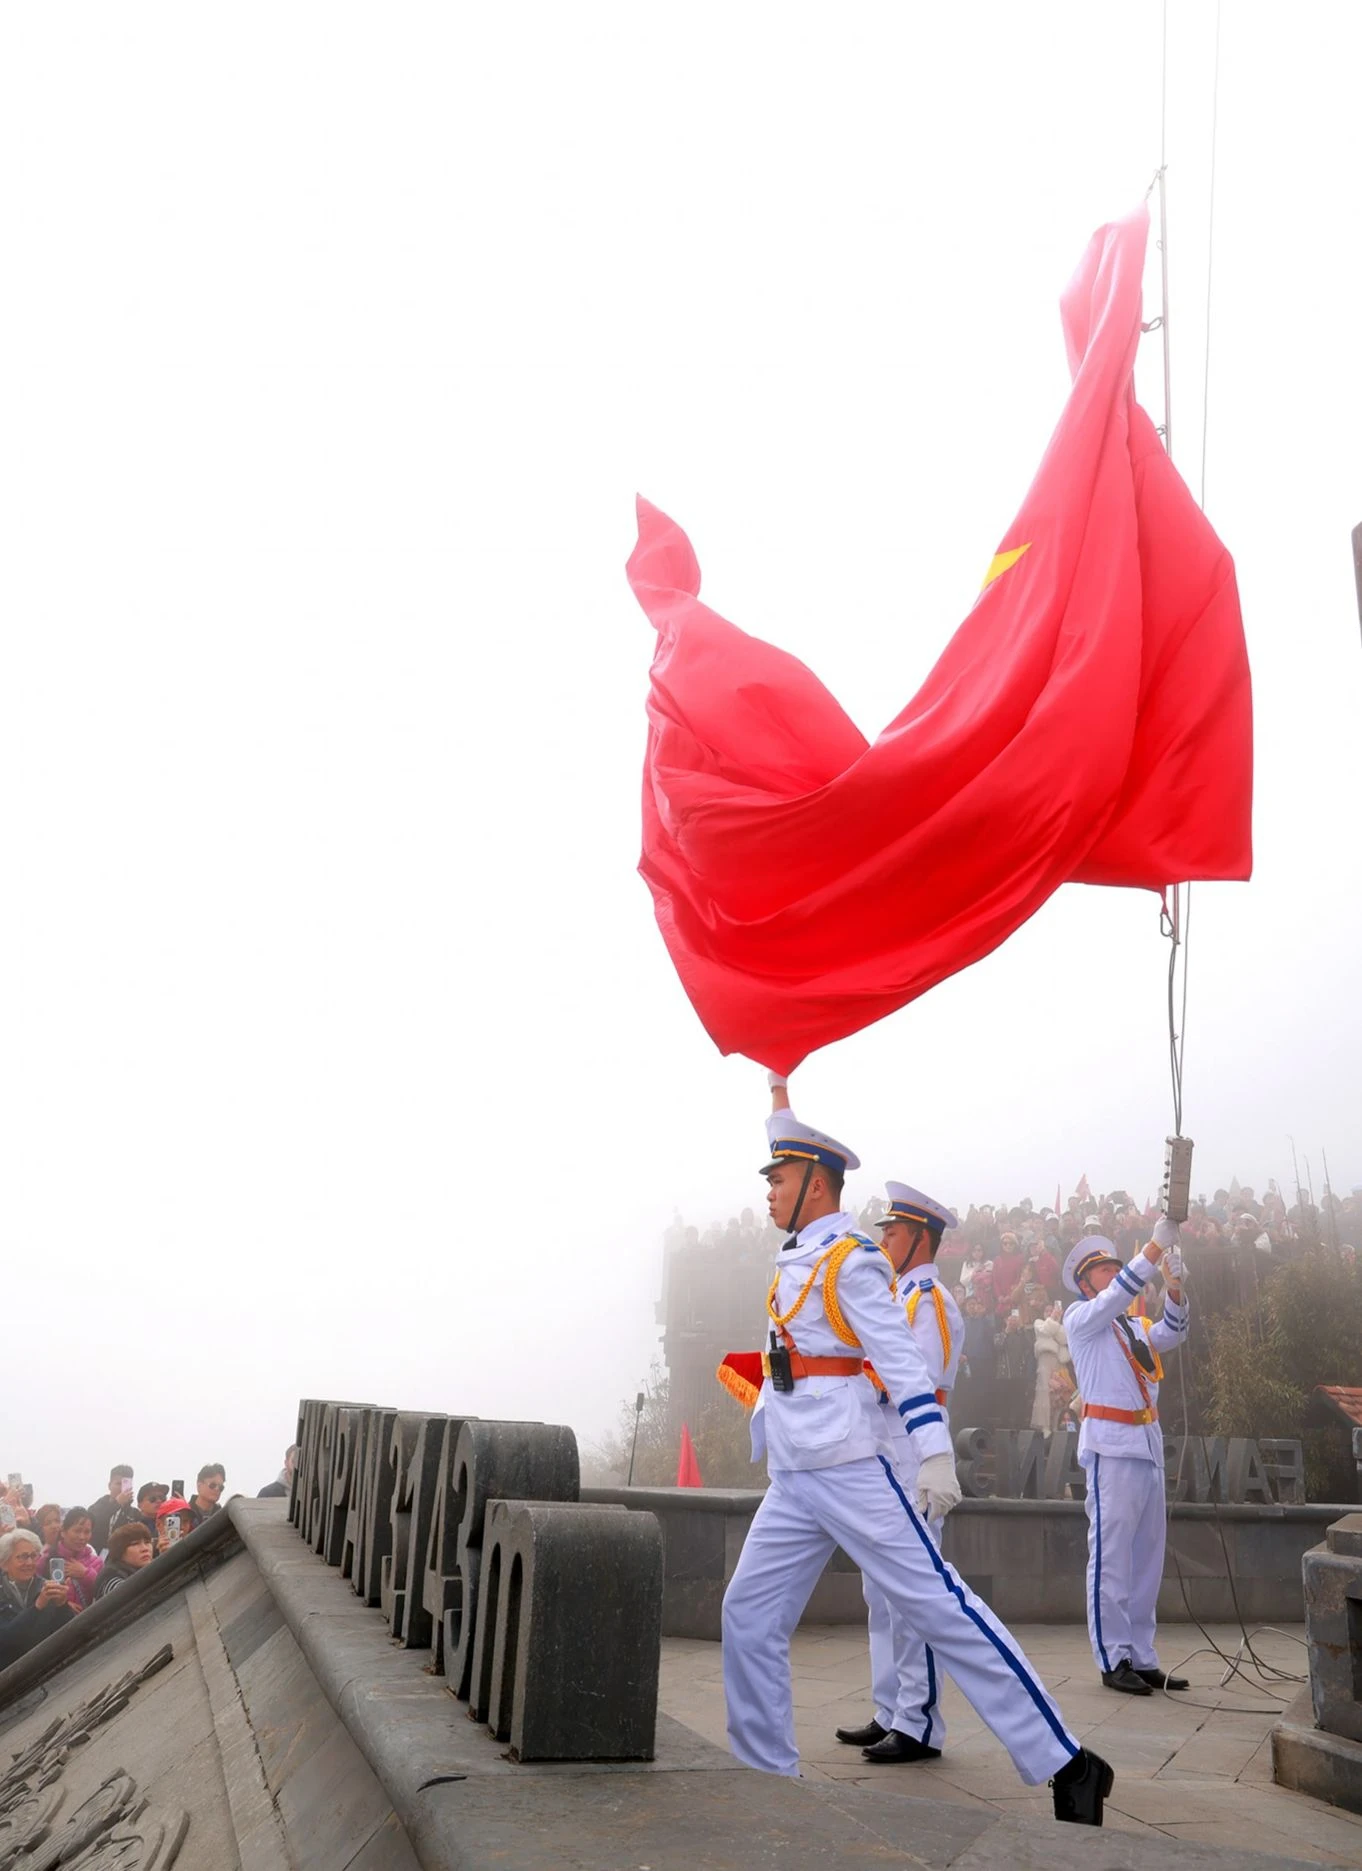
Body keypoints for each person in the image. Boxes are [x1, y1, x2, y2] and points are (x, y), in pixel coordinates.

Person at [721, 1076, 1112, 1824]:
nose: (769, 1189)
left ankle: (1070, 1760)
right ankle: (766, 1775)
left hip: (847, 1462)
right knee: (747, 1614)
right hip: (797, 1468)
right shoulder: (801, 1251)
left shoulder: (853, 1261)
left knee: (938, 1606)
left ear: (814, 1183)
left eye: (778, 1176)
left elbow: (902, 1364)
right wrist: (777, 1087)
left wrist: (935, 1453)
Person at [834, 1180, 964, 1765]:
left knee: (913, 1596)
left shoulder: (928, 1300)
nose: (884, 1237)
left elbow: (913, 1376)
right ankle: (890, 1709)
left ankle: (919, 1723)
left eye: (893, 1230)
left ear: (920, 1237)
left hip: (915, 1456)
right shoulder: (897, 1297)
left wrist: (844, 1381)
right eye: (883, 1229)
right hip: (886, 1454)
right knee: (879, 1592)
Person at [1062, 1221, 1190, 1695]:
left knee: (1146, 1558)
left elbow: (1174, 1333)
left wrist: (1174, 1290)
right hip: (1110, 1446)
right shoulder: (1081, 1318)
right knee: (1111, 1558)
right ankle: (1112, 1656)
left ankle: (1141, 1653)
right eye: (1105, 1269)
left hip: (1146, 1443)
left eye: (1117, 1265)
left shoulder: (1133, 1326)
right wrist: (1154, 1248)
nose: (1115, 1273)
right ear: (1085, 1281)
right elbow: (1118, 1295)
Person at [0, 1529, 75, 1665]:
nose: (29, 1563)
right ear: (4, 1563)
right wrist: (37, 1607)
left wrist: (62, 1605)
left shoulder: (47, 1587)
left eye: (33, 1556)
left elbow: (70, 1636)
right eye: (22, 1557)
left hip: (45, 1670)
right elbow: (5, 1638)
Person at [42, 1506, 103, 1610]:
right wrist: (65, 1604)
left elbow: (104, 1593)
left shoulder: (97, 1562)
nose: (82, 1537)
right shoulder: (46, 1559)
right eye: (77, 1531)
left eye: (87, 1532)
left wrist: (86, 1574)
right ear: (63, 1532)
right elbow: (36, 1594)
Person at [94, 1520, 156, 1597]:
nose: (145, 1548)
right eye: (135, 1544)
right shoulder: (112, 1580)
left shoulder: (154, 1568)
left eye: (147, 1542)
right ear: (120, 1551)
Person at [88, 1465, 134, 1553]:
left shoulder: (134, 1514)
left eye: (125, 1484)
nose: (121, 1488)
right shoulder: (96, 1507)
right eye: (118, 1484)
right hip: (96, 1555)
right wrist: (116, 1504)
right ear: (109, 1485)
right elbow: (94, 1524)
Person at [182, 1465, 226, 1531]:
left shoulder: (224, 1517)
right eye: (212, 1485)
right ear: (199, 1486)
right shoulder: (184, 1513)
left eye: (221, 1487)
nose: (217, 1489)